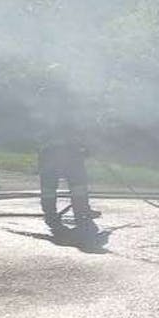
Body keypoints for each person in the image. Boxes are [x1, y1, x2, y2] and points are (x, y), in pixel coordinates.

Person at [35, 65, 97, 228]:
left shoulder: (43, 95)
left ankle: (50, 213)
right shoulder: (69, 97)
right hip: (69, 150)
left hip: (49, 150)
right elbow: (78, 122)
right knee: (77, 183)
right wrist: (84, 143)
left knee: (49, 184)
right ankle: (81, 211)